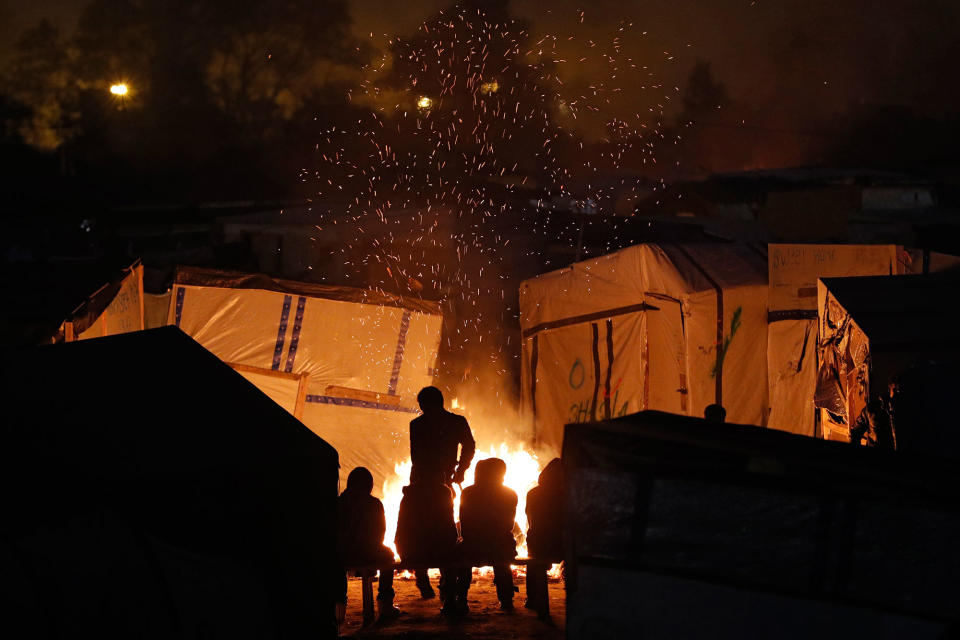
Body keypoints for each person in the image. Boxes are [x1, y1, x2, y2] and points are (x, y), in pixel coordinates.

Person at [406, 386, 476, 598]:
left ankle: (428, 576)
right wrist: (460, 469)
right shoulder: (455, 422)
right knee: (441, 524)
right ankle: (437, 578)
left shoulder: (418, 424)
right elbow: (469, 445)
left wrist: (460, 469)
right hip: (439, 479)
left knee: (423, 525)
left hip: (426, 480)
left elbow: (416, 456)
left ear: (426, 405)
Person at [454, 458, 518, 615]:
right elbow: (509, 525)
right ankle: (506, 599)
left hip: (473, 546)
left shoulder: (468, 492)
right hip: (500, 547)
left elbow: (464, 523)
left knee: (461, 556)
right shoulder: (510, 494)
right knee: (503, 559)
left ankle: (461, 598)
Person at [337, 467, 400, 625]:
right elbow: (380, 533)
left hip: (344, 552)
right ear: (369, 485)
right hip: (369, 552)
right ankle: (385, 603)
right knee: (389, 555)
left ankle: (339, 607)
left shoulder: (339, 504)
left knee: (336, 557)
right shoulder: (374, 504)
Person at [394, 479, 459, 603]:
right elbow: (450, 531)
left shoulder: (409, 496)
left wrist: (402, 549)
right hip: (437, 553)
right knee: (451, 552)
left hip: (410, 552)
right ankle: (449, 594)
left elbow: (401, 531)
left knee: (431, 545)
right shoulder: (444, 493)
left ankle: (422, 577)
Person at [525, 458, 563, 621]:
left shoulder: (533, 493)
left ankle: (532, 599)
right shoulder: (569, 492)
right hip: (563, 542)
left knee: (533, 558)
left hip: (540, 542)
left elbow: (530, 519)